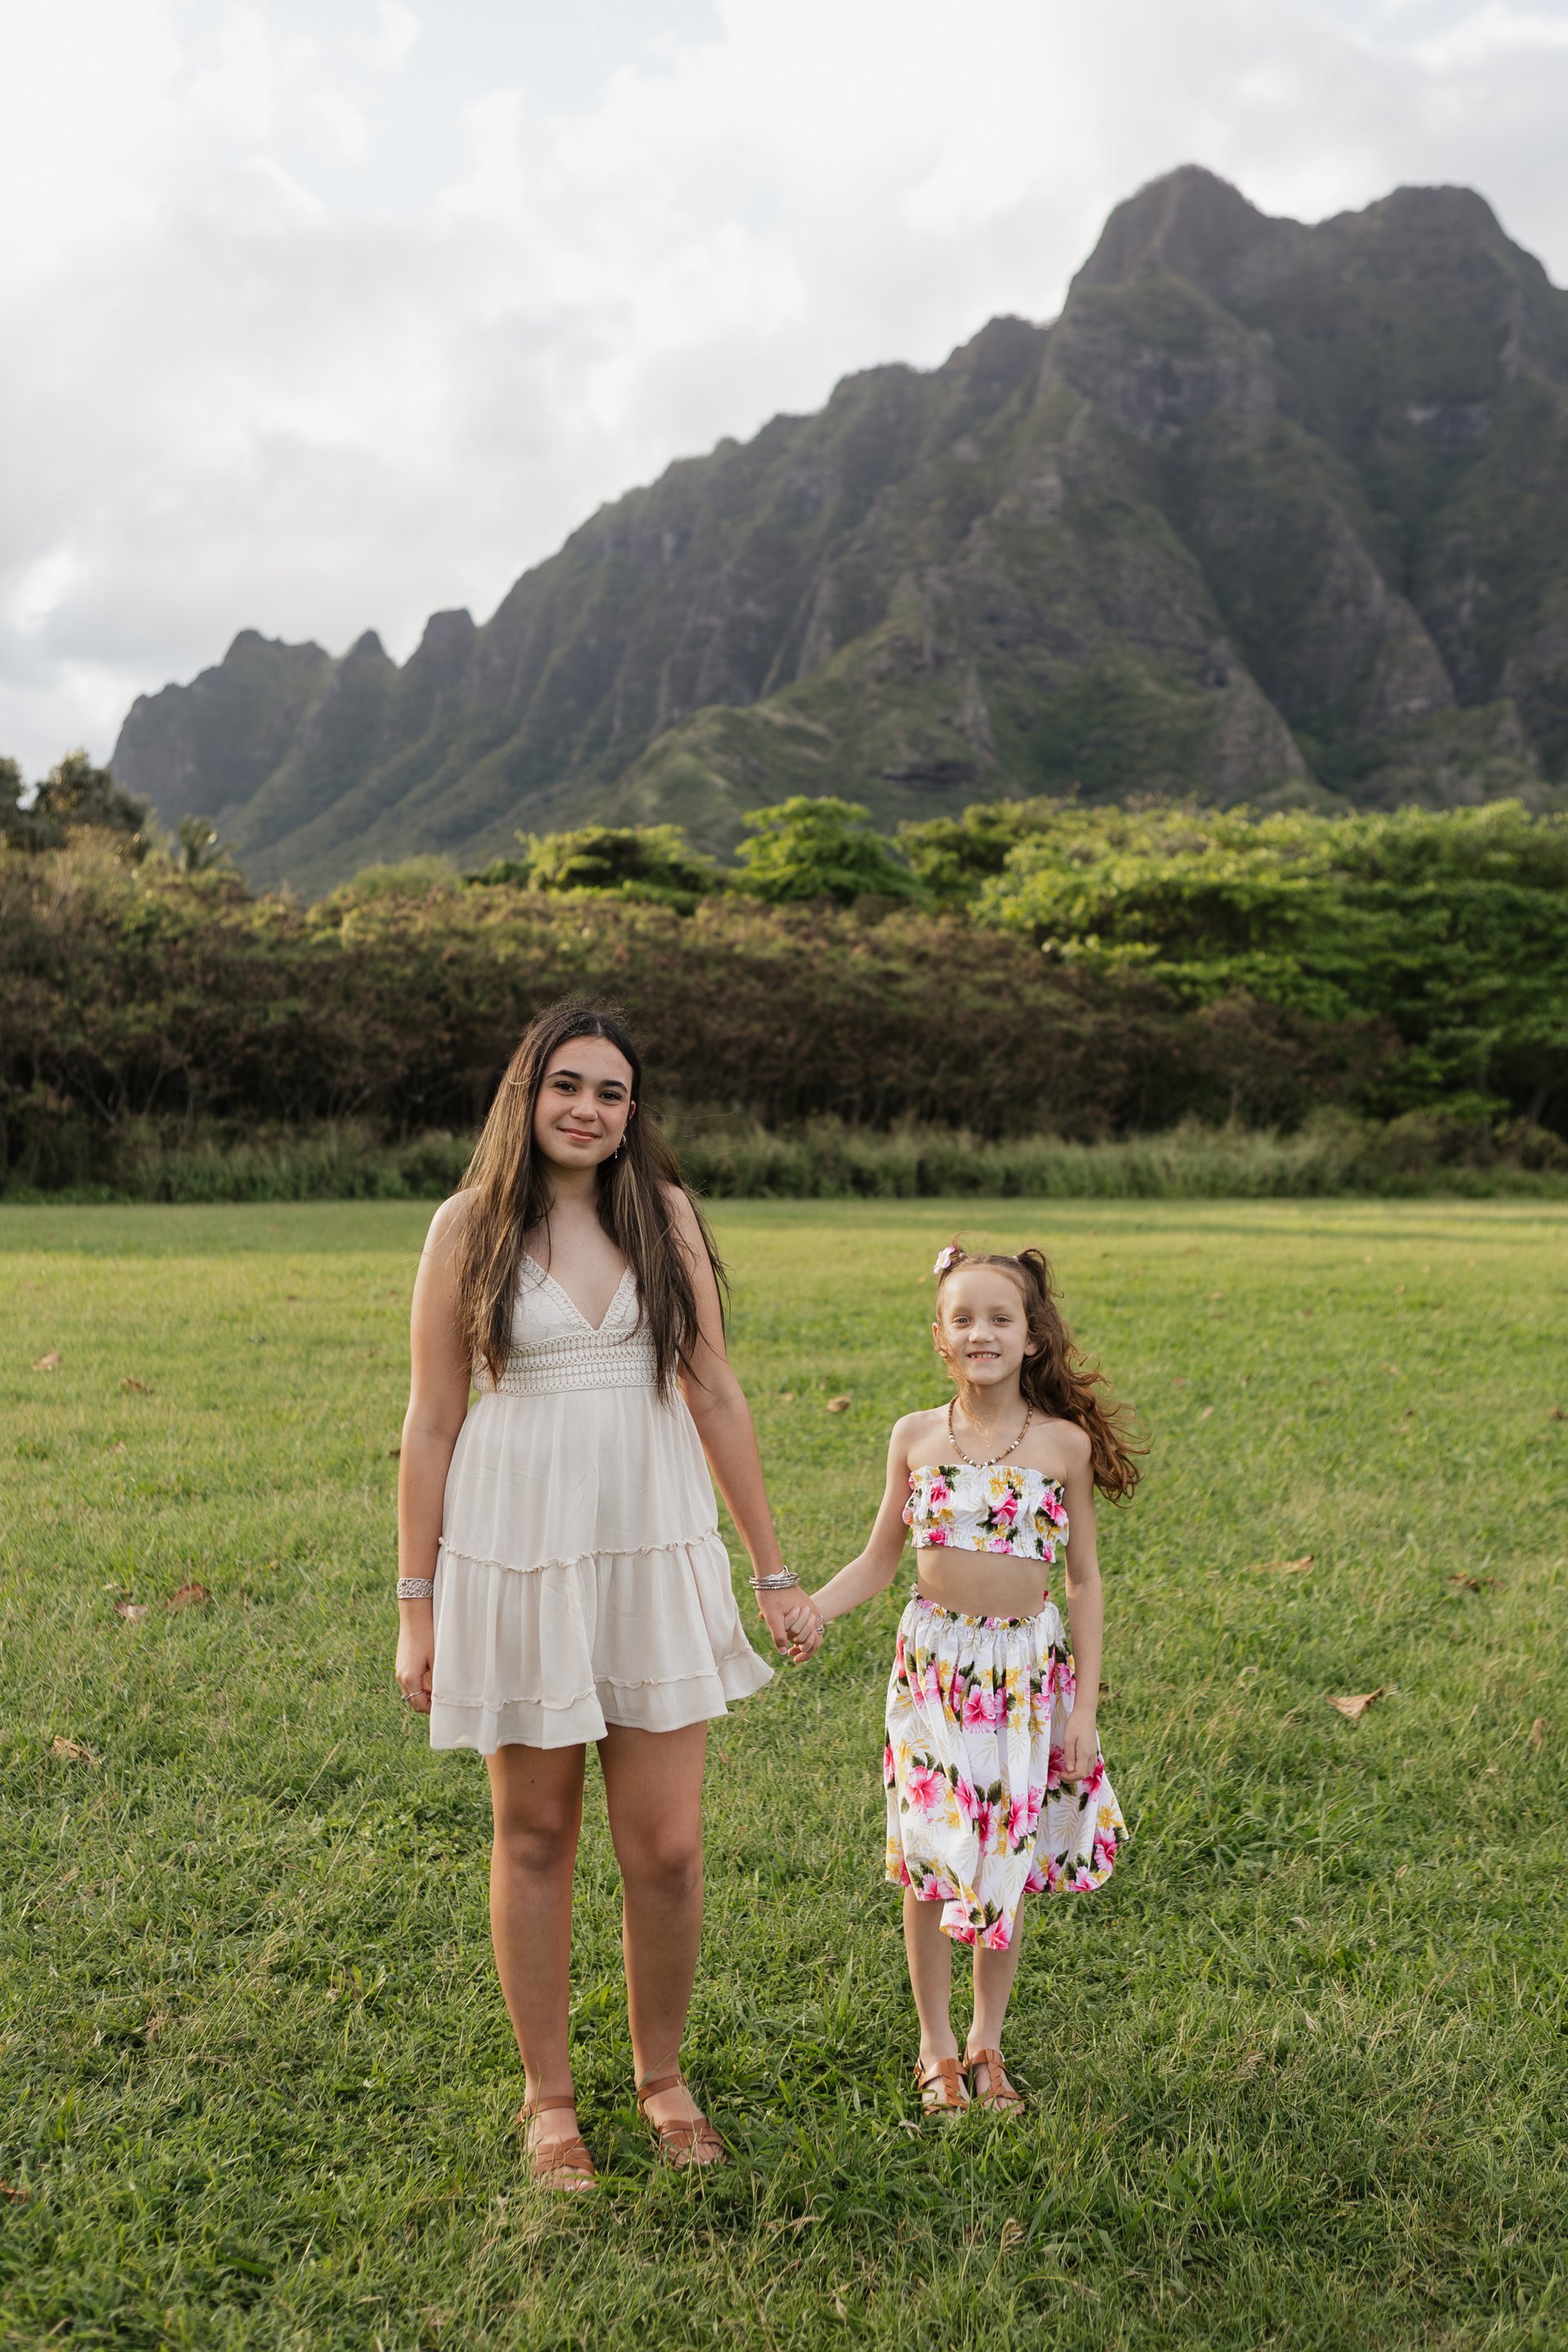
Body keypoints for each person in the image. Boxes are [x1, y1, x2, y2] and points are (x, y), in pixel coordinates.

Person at [393, 1002, 816, 2189]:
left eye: (611, 1092)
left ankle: (661, 2077)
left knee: (667, 1846)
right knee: (535, 1832)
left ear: (633, 1114)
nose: (587, 1108)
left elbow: (715, 1392)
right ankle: (549, 2100)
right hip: (518, 1547)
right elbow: (432, 1421)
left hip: (649, 1540)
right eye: (566, 1085)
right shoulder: (467, 1225)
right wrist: (417, 1605)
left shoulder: (662, 1214)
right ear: (526, 1096)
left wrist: (772, 1569)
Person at [792, 1241, 1138, 2118]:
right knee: (933, 1854)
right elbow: (879, 1560)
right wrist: (813, 1610)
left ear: (1031, 1337)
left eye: (1000, 1318)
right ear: (940, 1337)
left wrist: (1083, 1710)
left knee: (1001, 1857)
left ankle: (987, 2040)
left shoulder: (1062, 1445)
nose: (981, 1332)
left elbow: (1085, 1581)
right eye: (963, 1319)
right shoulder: (915, 1437)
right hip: (934, 1675)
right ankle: (936, 2046)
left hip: (1023, 1680)